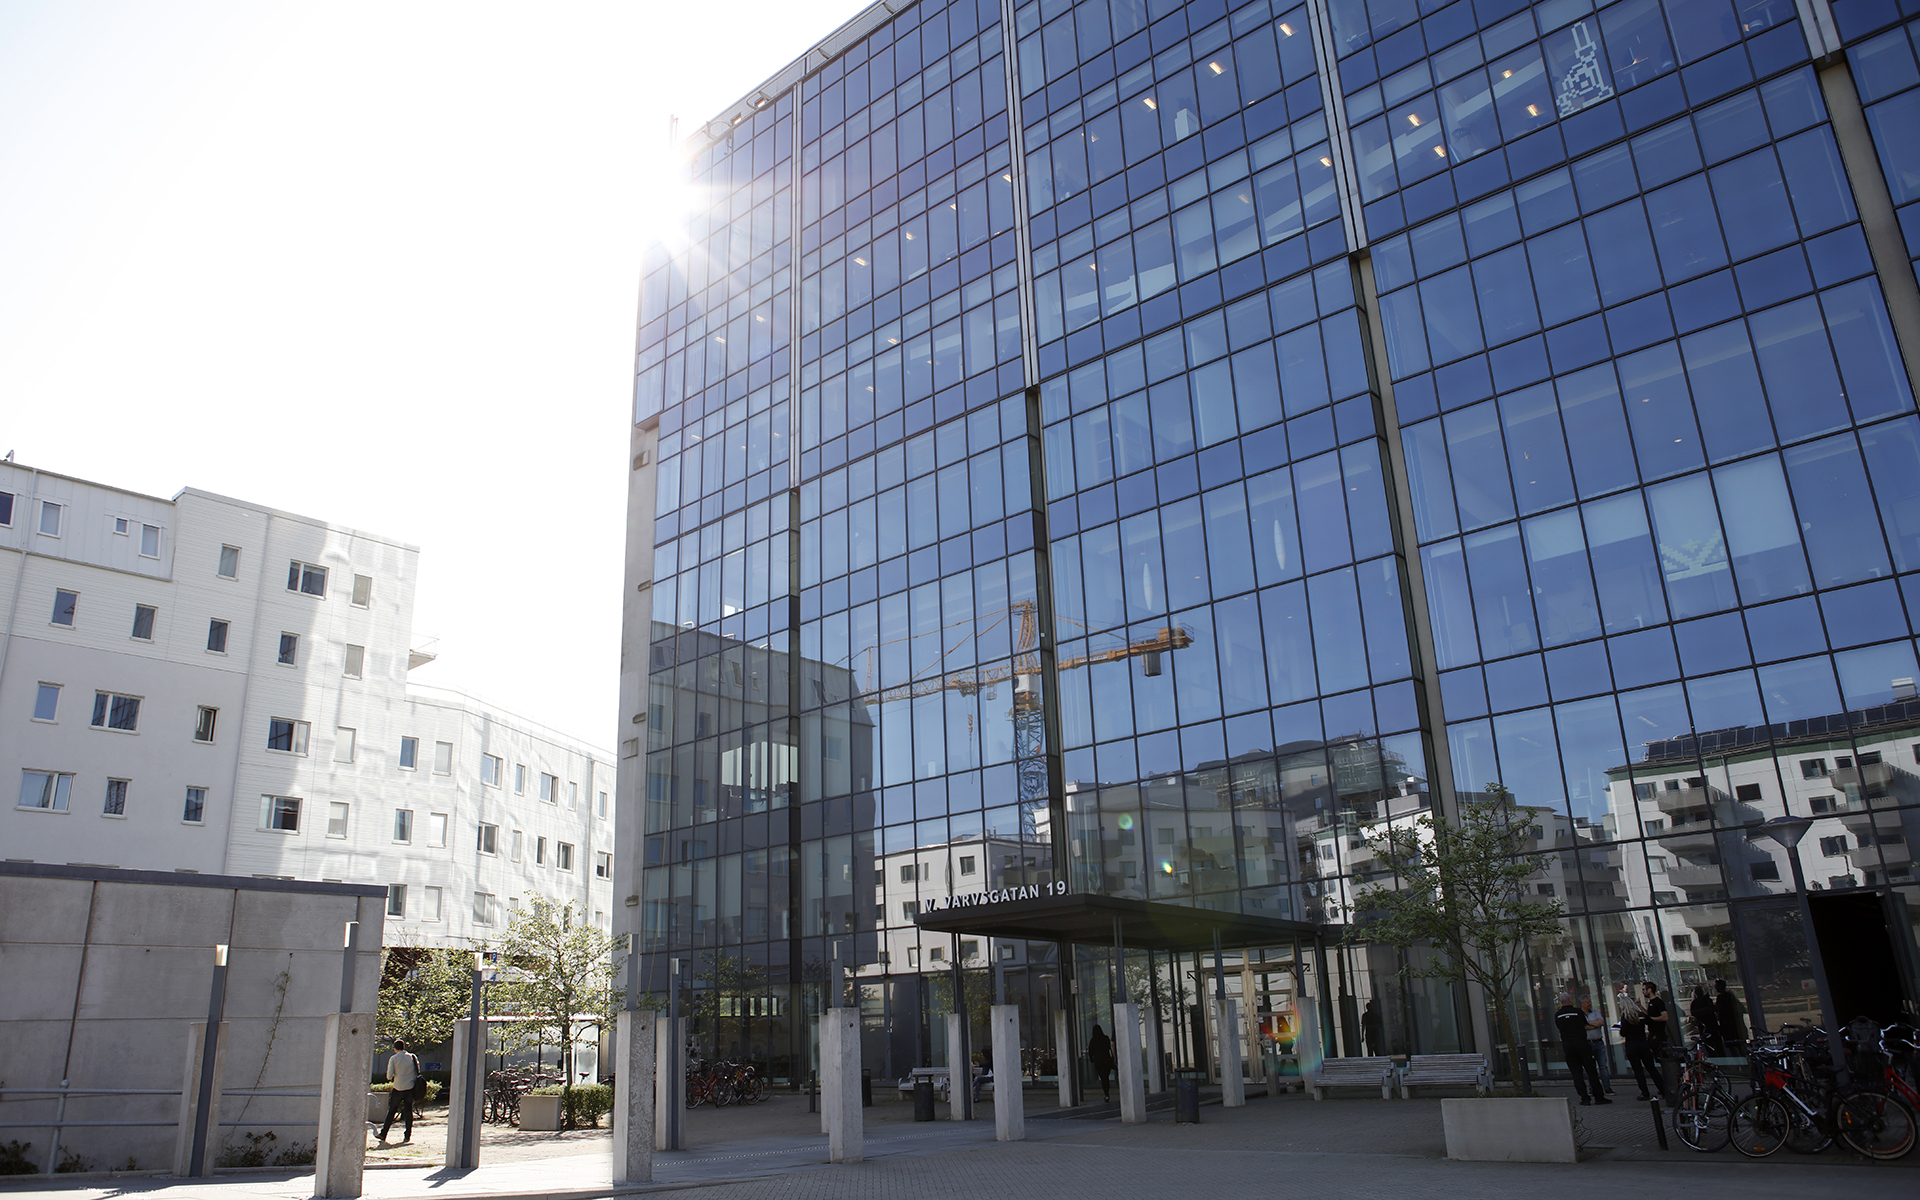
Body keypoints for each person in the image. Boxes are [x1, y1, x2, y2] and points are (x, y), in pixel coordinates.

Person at [1554, 993, 1609, 1106]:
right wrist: (1594, 1026)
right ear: (1570, 1000)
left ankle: (1584, 1098)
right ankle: (1598, 1097)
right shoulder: (1578, 1012)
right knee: (1591, 1070)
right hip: (1582, 1043)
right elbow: (1585, 1024)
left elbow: (1559, 1027)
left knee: (1576, 1073)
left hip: (1568, 1045)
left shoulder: (1558, 1015)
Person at [1618, 995, 1663, 1101]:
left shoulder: (1626, 1017)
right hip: (1643, 1043)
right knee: (1651, 1068)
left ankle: (1644, 1092)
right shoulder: (1641, 1015)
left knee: (1638, 1070)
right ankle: (1663, 1088)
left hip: (1632, 1044)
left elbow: (1623, 1033)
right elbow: (1651, 1022)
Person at [376, 1038, 419, 1144]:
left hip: (398, 1087)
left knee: (392, 1111)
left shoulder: (394, 1058)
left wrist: (393, 1076)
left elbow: (389, 1075)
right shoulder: (412, 1057)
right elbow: (417, 1071)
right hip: (410, 1087)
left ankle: (383, 1134)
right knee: (408, 1112)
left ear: (395, 1048)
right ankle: (407, 1135)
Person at [1582, 996, 1614, 1095]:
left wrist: (1589, 1024)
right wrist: (1594, 1024)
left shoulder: (1595, 1012)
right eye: (1587, 1002)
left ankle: (1607, 1088)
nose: (1589, 1004)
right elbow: (1582, 1026)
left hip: (1598, 1042)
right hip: (1587, 1043)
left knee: (1603, 1066)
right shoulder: (1580, 1014)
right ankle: (1593, 1088)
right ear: (1582, 1003)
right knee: (1590, 1067)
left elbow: (1602, 1022)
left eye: (1590, 1002)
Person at [1714, 979, 1747, 1055]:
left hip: (1728, 1024)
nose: (1715, 988)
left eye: (1717, 986)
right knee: (1737, 1044)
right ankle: (1742, 1056)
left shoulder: (1722, 997)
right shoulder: (1730, 996)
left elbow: (1718, 1008)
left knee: (1731, 1044)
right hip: (1733, 1023)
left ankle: (1739, 1058)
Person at [1688, 984, 1720, 1054]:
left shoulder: (1706, 1000)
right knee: (1709, 1044)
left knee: (1717, 1043)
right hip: (1704, 1026)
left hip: (1711, 1025)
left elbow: (1713, 1009)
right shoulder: (1696, 1002)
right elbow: (1693, 1012)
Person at [1088, 1024, 1115, 1101]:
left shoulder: (1093, 1041)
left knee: (1103, 1078)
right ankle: (1107, 1092)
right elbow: (1109, 1048)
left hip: (1099, 1062)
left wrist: (1092, 1059)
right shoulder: (1106, 1038)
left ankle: (1106, 1094)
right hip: (1107, 1060)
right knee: (1106, 1077)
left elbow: (1090, 1052)